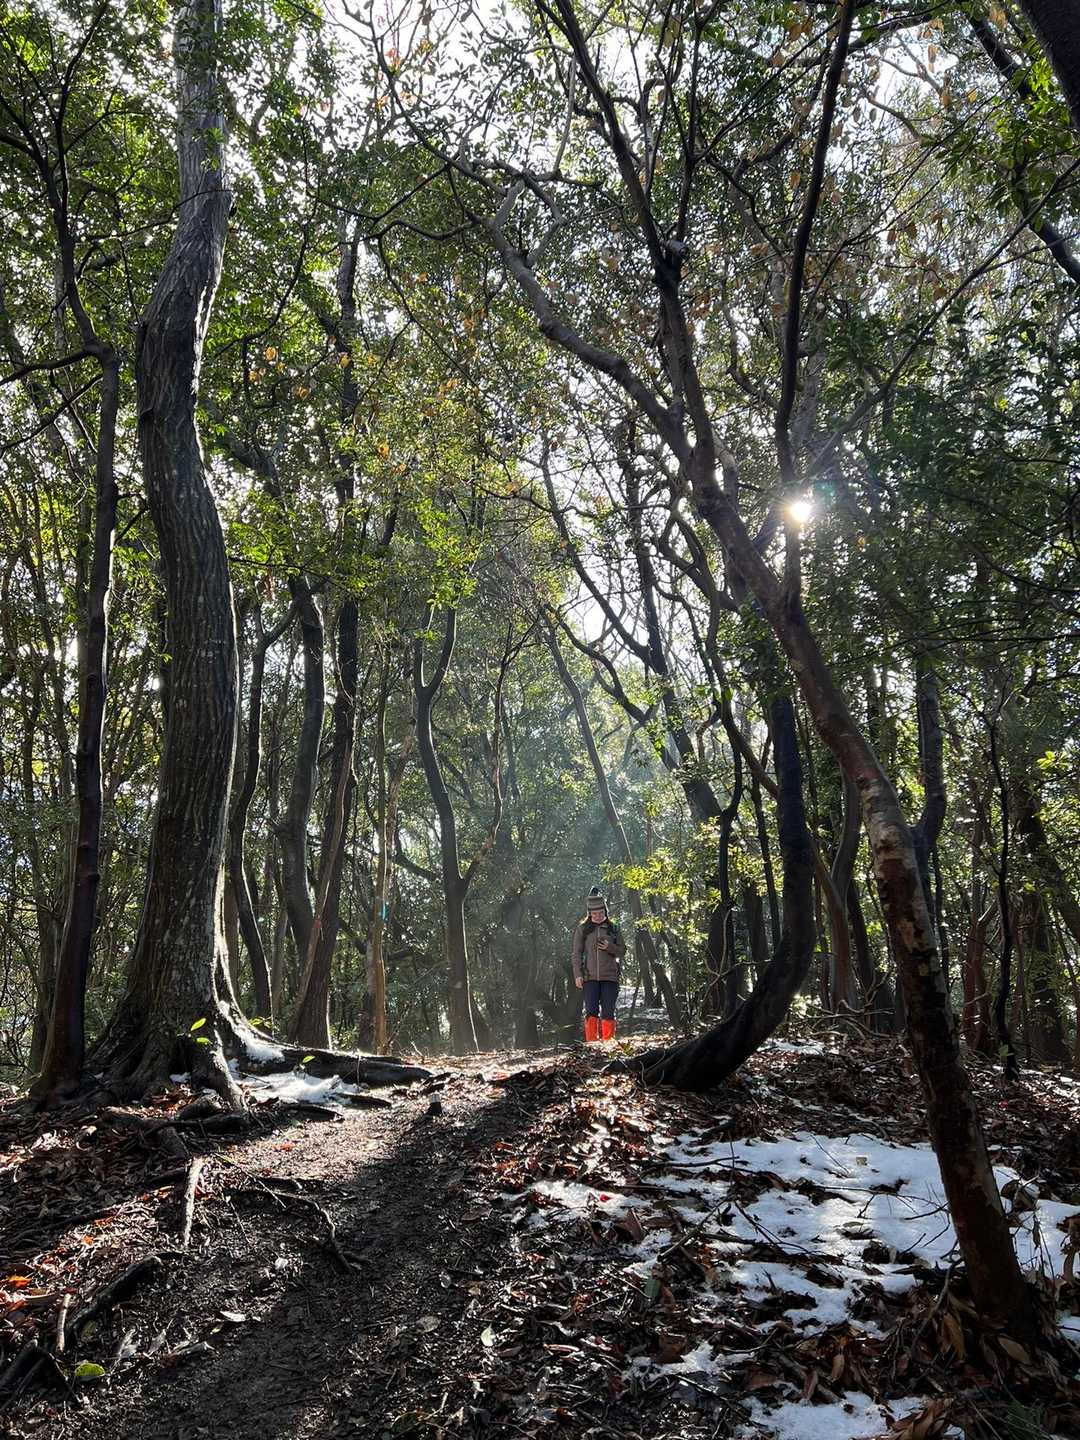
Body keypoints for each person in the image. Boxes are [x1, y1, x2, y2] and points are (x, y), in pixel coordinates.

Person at [572, 886, 626, 1042]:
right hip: (589, 978)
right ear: (589, 913)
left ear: (605, 912)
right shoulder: (582, 929)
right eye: (594, 913)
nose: (597, 916)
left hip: (610, 977)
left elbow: (622, 951)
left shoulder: (614, 928)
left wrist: (610, 947)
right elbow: (576, 953)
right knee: (591, 1011)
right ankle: (592, 1044)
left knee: (608, 1011)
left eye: (601, 913)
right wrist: (577, 975)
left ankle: (608, 1044)